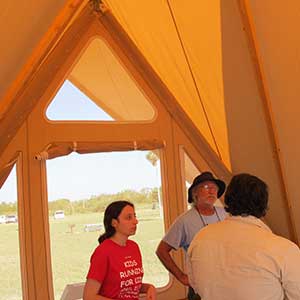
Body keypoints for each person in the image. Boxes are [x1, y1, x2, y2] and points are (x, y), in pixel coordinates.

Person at [187, 173, 300, 300]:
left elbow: (194, 284)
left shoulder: (200, 238)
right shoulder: (284, 249)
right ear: (264, 206)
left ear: (227, 200)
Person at [156, 171, 227, 300]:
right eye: (206, 187)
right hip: (199, 286)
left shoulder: (226, 215)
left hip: (225, 282)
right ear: (195, 193)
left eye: (214, 187)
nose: (211, 191)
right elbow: (161, 250)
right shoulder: (184, 221)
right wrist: (181, 276)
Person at [83, 200, 156, 300]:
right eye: (129, 218)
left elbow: (129, 288)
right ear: (114, 223)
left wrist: (149, 287)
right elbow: (89, 297)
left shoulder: (133, 247)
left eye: (135, 216)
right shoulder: (103, 252)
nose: (135, 221)